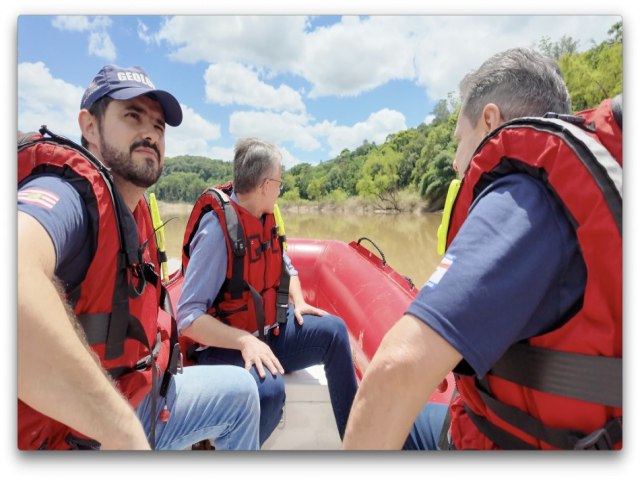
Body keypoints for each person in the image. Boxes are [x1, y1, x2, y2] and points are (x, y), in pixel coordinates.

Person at [342, 47, 622, 450]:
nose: (457, 162)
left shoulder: (525, 194)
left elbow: (395, 370)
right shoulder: (596, 181)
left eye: (459, 140)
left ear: (490, 120)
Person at [17, 64, 260, 450]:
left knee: (242, 395)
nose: (150, 133)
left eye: (159, 126)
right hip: (79, 435)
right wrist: (122, 432)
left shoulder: (133, 210)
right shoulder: (69, 198)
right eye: (132, 116)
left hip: (142, 394)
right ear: (90, 127)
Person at [178, 138, 359, 446]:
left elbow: (286, 267)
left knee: (334, 332)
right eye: (279, 183)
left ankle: (360, 446)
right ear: (264, 185)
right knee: (269, 392)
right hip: (224, 349)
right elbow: (188, 318)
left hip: (266, 334)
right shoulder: (216, 232)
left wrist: (299, 301)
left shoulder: (265, 219)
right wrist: (245, 341)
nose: (280, 190)